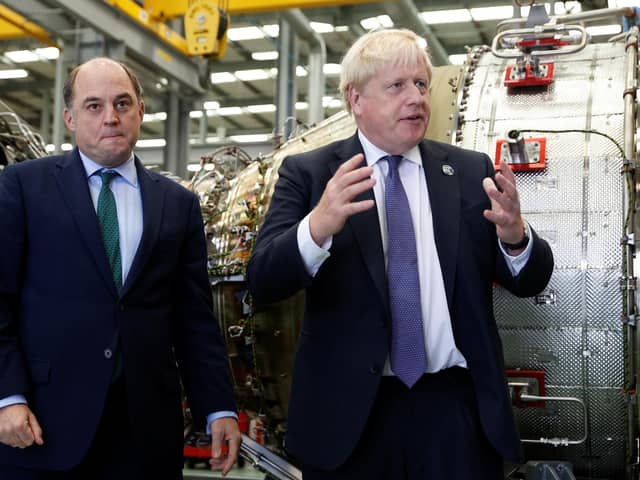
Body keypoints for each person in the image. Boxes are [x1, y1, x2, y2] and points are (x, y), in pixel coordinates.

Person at [247, 29, 553, 479]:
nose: (416, 99)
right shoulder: (310, 173)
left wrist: (515, 236)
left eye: (421, 85)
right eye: (397, 86)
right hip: (351, 418)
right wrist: (317, 227)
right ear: (355, 99)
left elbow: (530, 281)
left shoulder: (469, 171)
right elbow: (263, 279)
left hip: (455, 416)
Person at [0, 57, 241, 479]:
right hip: (43, 423)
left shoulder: (177, 204)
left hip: (144, 430)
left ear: (141, 111)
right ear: (70, 118)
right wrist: (7, 397)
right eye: (94, 106)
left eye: (122, 103)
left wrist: (218, 406)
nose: (110, 117)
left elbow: (194, 319)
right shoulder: (22, 186)